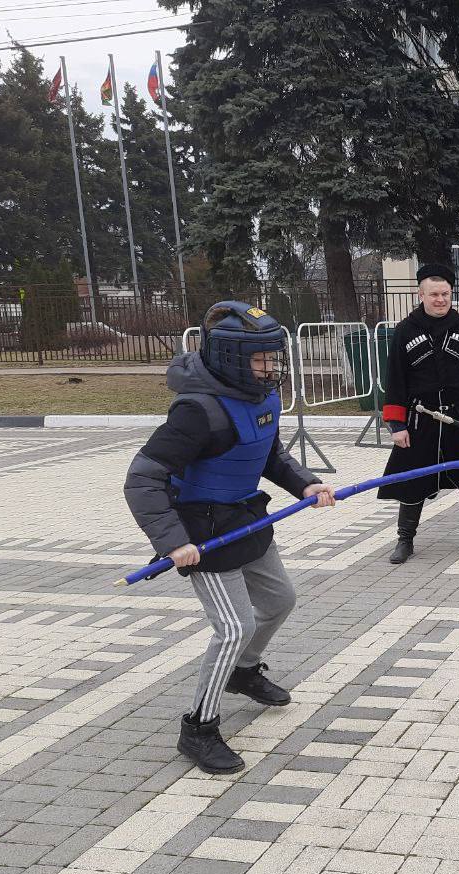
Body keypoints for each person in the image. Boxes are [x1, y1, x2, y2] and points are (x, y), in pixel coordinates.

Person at [124, 301, 337, 774]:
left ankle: (244, 671)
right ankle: (198, 727)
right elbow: (141, 478)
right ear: (230, 358)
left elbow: (269, 455)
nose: (271, 368)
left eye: (274, 358)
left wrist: (306, 483)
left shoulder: (263, 399)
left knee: (281, 600)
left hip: (244, 518)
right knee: (234, 626)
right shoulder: (196, 412)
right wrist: (171, 542)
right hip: (201, 531)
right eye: (260, 360)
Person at [380, 263, 459, 564]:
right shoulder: (405, 330)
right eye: (434, 294)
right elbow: (394, 379)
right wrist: (397, 425)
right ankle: (405, 540)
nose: (440, 299)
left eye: (445, 293)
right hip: (419, 420)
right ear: (421, 294)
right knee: (411, 482)